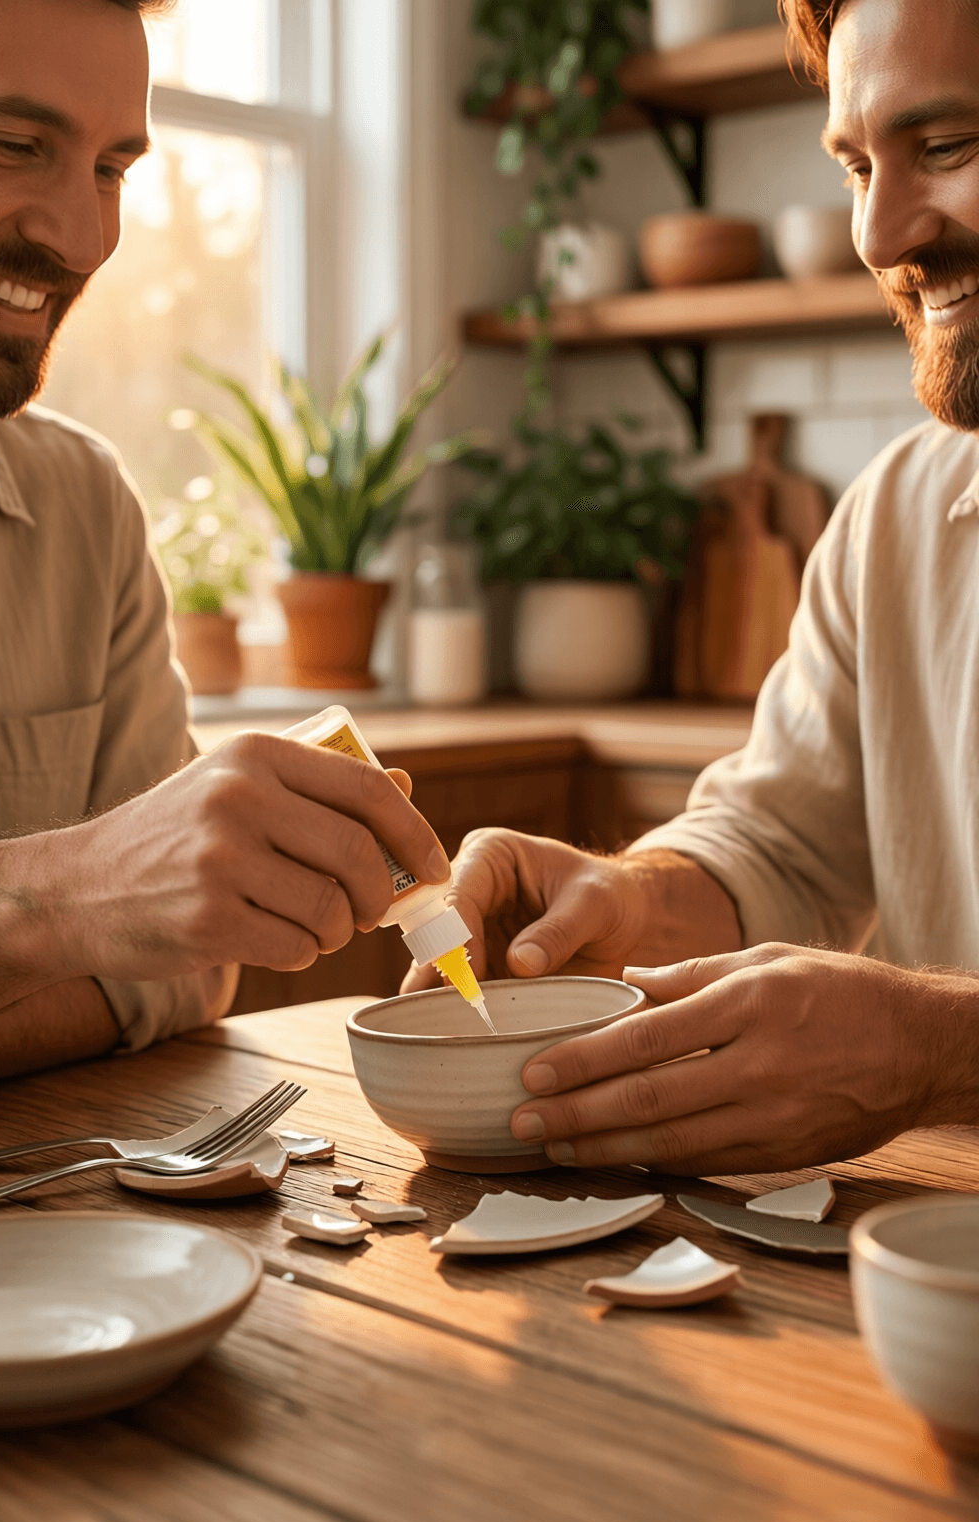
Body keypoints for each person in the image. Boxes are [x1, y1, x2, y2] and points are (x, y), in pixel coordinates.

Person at [405, 0, 979, 1176]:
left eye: (949, 147)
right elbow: (780, 847)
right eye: (857, 164)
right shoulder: (895, 517)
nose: (877, 232)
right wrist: (622, 898)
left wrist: (939, 1048)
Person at [0, 0, 451, 1088]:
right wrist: (73, 897)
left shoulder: (84, 511)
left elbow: (184, 973)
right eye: (9, 145)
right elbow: (126, 932)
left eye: (111, 169)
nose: (83, 240)